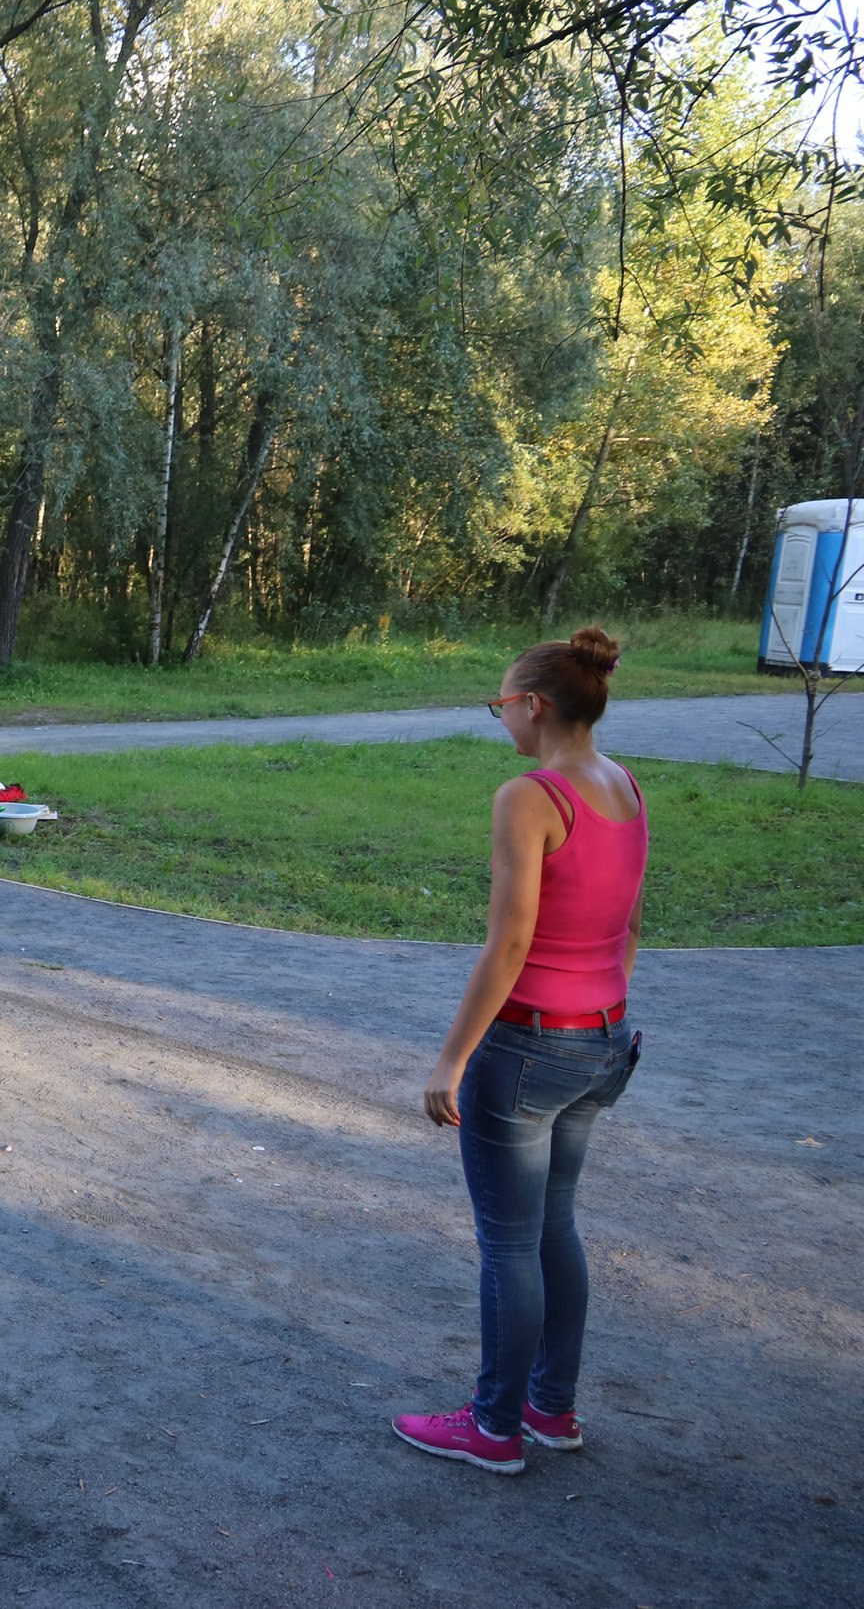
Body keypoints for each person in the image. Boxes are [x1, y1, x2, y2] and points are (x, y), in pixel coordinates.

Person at [394, 628, 647, 1477]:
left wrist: (451, 1059)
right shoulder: (626, 788)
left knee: (508, 1241)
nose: (500, 716)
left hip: (529, 1049)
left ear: (534, 706)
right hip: (602, 1044)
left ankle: (494, 1425)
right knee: (554, 1225)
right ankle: (552, 1407)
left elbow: (510, 945)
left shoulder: (530, 796)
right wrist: (601, 1020)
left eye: (501, 703)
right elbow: (630, 927)